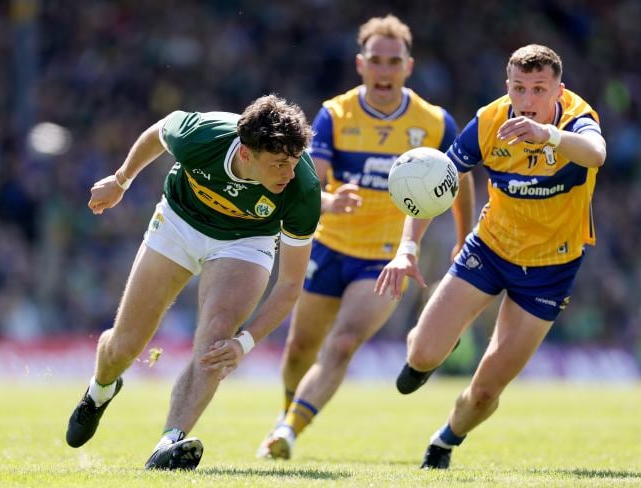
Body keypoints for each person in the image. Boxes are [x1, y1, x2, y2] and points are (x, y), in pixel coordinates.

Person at [376, 44, 606, 470]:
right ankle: (436, 346)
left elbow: (596, 153)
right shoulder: (489, 121)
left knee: (484, 392)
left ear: (559, 90)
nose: (527, 100)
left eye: (539, 89)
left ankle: (445, 440)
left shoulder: (577, 119)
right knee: (423, 354)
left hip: (550, 271)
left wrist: (549, 136)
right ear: (507, 87)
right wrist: (408, 247)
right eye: (519, 88)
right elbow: (436, 182)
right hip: (490, 250)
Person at [64, 94, 321, 470]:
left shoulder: (303, 189)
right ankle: (100, 390)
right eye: (279, 164)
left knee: (217, 337)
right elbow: (158, 133)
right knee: (125, 346)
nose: (289, 173)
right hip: (179, 223)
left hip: (246, 241)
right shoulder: (202, 135)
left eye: (294, 162)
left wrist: (244, 343)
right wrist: (121, 181)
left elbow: (290, 285)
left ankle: (169, 442)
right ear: (246, 153)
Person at [256, 14, 473, 460]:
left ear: (408, 66)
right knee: (299, 349)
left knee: (343, 343)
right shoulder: (335, 115)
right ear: (361, 64)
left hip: (385, 259)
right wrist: (331, 201)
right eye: (375, 60)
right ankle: (288, 414)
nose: (384, 70)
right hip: (328, 247)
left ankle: (289, 430)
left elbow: (460, 177)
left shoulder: (434, 123)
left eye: (393, 61)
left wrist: (462, 236)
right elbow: (309, 183)